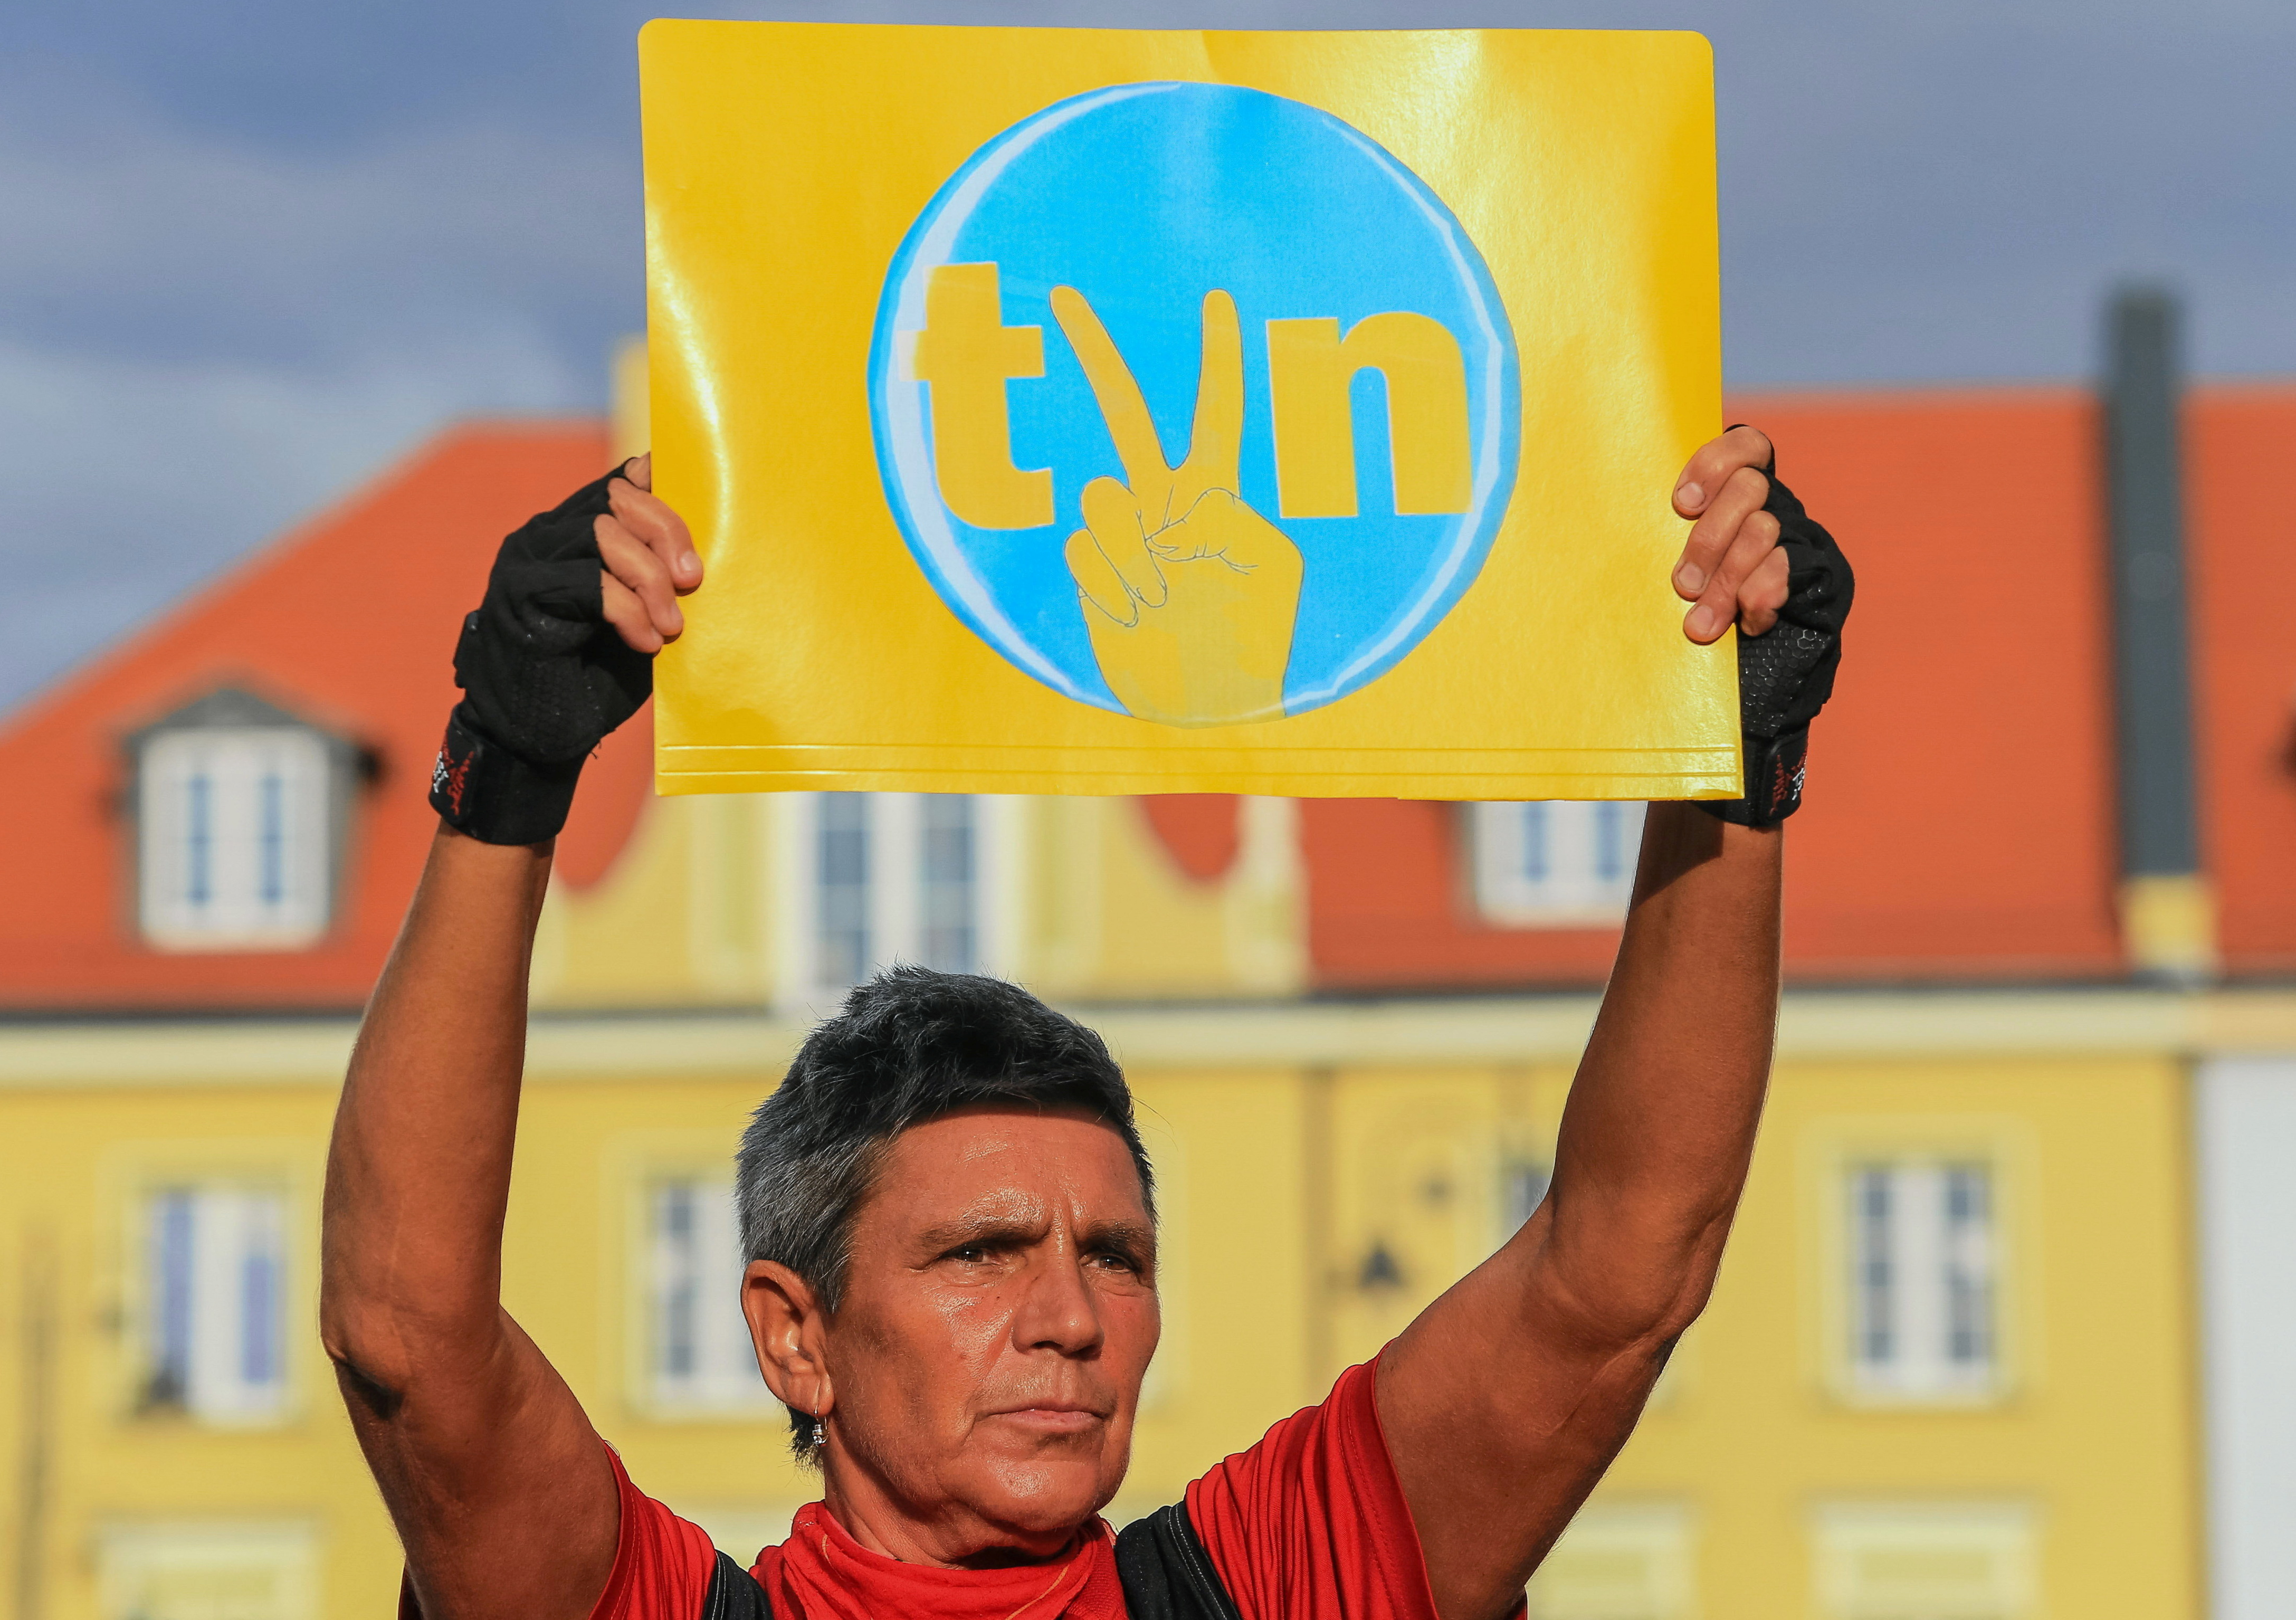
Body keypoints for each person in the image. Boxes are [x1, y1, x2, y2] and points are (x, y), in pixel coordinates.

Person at [320, 425, 1853, 1620]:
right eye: (983, 1253)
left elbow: (1622, 1267)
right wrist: (505, 780)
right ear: (796, 1337)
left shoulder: (1271, 1590)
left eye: (1114, 1255)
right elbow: (403, 1334)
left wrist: (1738, 761)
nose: (1072, 1318)